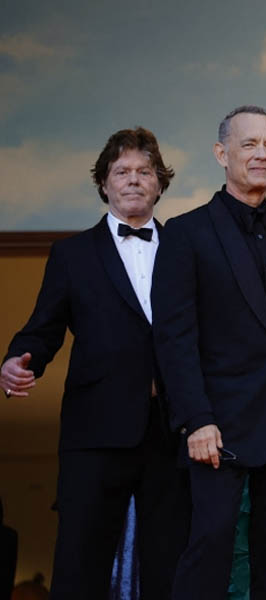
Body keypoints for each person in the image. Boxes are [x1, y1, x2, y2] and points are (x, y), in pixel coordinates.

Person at [0, 128, 189, 599]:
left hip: (171, 432)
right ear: (103, 184)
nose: (132, 180)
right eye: (121, 171)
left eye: (144, 171)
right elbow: (42, 328)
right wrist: (16, 362)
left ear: (160, 184)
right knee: (81, 564)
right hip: (95, 431)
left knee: (170, 565)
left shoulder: (187, 250)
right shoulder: (72, 254)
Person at [152, 106, 266, 600]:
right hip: (216, 425)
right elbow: (174, 337)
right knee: (209, 546)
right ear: (222, 154)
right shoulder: (185, 233)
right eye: (249, 144)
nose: (262, 154)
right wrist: (195, 419)